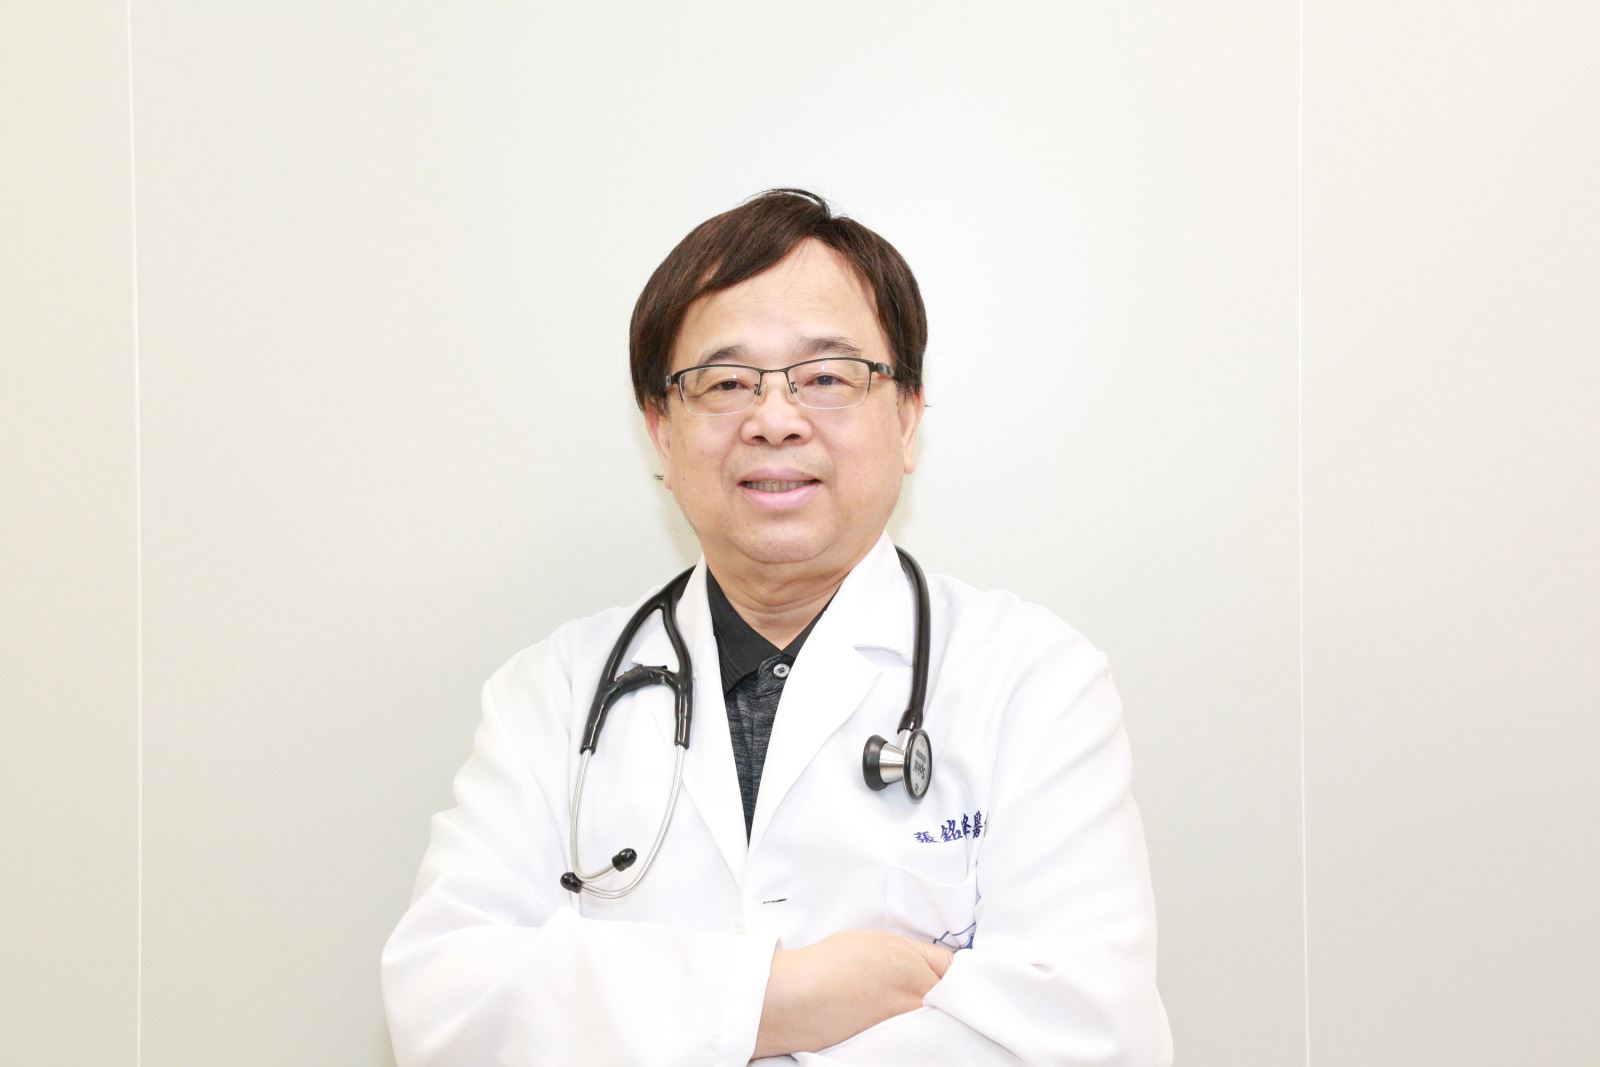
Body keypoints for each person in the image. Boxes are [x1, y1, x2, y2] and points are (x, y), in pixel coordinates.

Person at [380, 188, 1173, 1065]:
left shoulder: (1033, 681)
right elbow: (445, 1008)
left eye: (826, 377)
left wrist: (642, 1016)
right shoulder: (551, 695)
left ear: (907, 416)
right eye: (725, 383)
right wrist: (782, 995)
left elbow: (1094, 1038)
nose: (774, 419)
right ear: (662, 432)